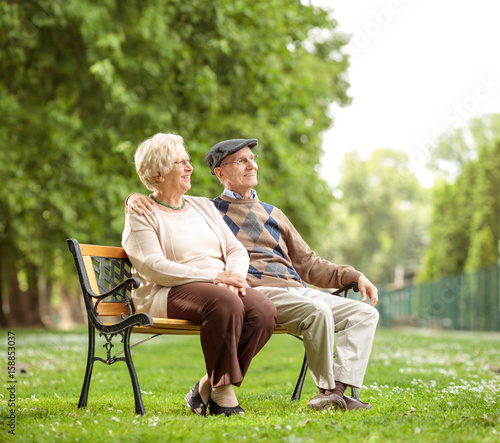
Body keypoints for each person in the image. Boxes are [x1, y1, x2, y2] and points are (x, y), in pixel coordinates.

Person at [127, 138, 379, 412]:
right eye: (241, 160)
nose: (251, 164)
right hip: (244, 289)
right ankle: (324, 392)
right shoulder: (214, 208)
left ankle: (338, 392)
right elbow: (158, 236)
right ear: (220, 174)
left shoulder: (264, 213)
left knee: (363, 313)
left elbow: (308, 263)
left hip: (284, 289)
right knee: (309, 310)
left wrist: (353, 276)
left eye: (252, 158)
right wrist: (134, 197)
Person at [122, 133, 277, 417]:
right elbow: (153, 267)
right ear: (157, 173)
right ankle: (222, 396)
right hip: (166, 291)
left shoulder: (203, 205)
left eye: (187, 161)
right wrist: (215, 278)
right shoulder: (141, 212)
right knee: (224, 303)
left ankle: (208, 383)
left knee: (264, 311)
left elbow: (236, 249)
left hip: (218, 286)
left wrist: (234, 275)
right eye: (180, 162)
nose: (189, 167)